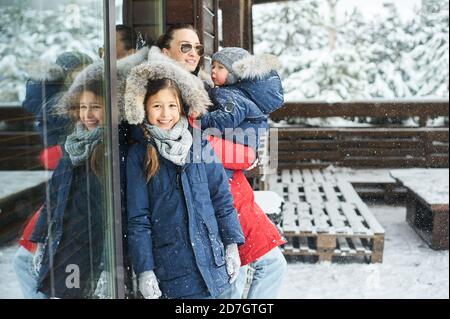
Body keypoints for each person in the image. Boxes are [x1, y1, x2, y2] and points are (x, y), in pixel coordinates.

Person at [154, 25, 287, 299]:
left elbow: (212, 138)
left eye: (197, 48)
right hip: (212, 194)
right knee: (235, 276)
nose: (194, 54)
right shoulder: (166, 92)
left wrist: (241, 153)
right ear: (166, 53)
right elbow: (190, 141)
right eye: (185, 47)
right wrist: (241, 154)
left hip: (231, 190)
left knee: (267, 265)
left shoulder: (205, 88)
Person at [124, 57, 245, 299]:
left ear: (181, 107)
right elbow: (139, 219)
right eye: (157, 106)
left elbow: (221, 198)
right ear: (145, 108)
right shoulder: (139, 154)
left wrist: (231, 243)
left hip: (215, 267)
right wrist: (145, 270)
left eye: (171, 105)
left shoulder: (198, 143)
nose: (165, 114)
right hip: (173, 271)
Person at [13, 52, 93, 299]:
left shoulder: (78, 104)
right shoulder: (60, 103)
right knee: (26, 262)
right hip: (63, 190)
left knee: (28, 262)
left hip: (73, 199)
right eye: (75, 73)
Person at [28, 74, 106, 299]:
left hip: (92, 248)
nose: (87, 114)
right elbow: (54, 197)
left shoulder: (111, 149)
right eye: (83, 107)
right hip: (67, 244)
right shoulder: (73, 145)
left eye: (95, 107)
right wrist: (40, 238)